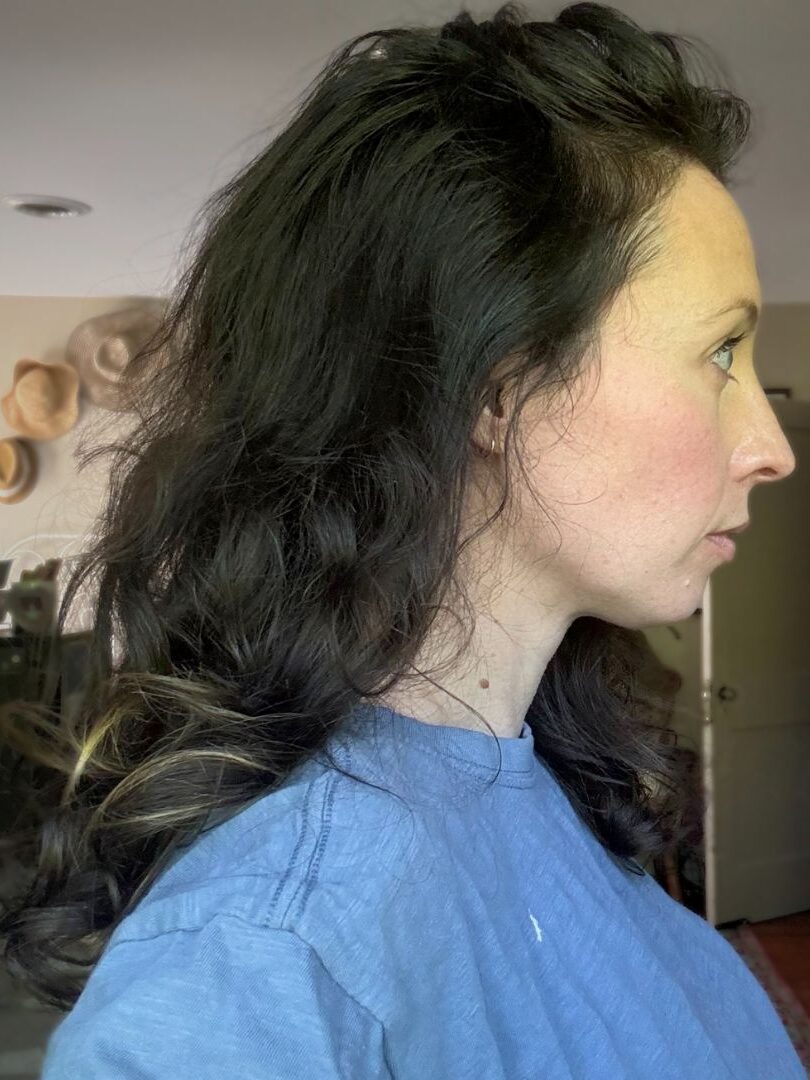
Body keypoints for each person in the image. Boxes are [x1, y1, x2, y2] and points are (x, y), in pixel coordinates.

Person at [0, 3, 803, 1077]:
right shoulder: (258, 967)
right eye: (721, 352)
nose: (770, 448)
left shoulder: (542, 781)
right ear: (498, 388)